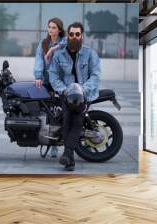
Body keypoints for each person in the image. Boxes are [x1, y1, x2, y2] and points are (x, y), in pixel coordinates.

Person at [49, 22, 101, 171]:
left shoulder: (90, 53)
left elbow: (96, 76)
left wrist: (82, 90)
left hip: (84, 94)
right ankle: (69, 158)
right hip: (66, 94)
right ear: (68, 35)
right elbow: (54, 77)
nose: (74, 37)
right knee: (66, 118)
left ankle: (67, 153)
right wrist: (64, 90)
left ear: (82, 36)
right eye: (71, 34)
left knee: (76, 118)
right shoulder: (59, 55)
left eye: (77, 34)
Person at [34, 17, 66, 158]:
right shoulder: (43, 43)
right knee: (49, 113)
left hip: (61, 82)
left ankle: (61, 144)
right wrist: (38, 76)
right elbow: (39, 60)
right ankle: (51, 143)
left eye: (54, 27)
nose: (51, 30)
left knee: (61, 112)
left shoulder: (64, 42)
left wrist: (54, 48)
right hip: (47, 82)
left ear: (59, 29)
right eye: (49, 27)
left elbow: (71, 43)